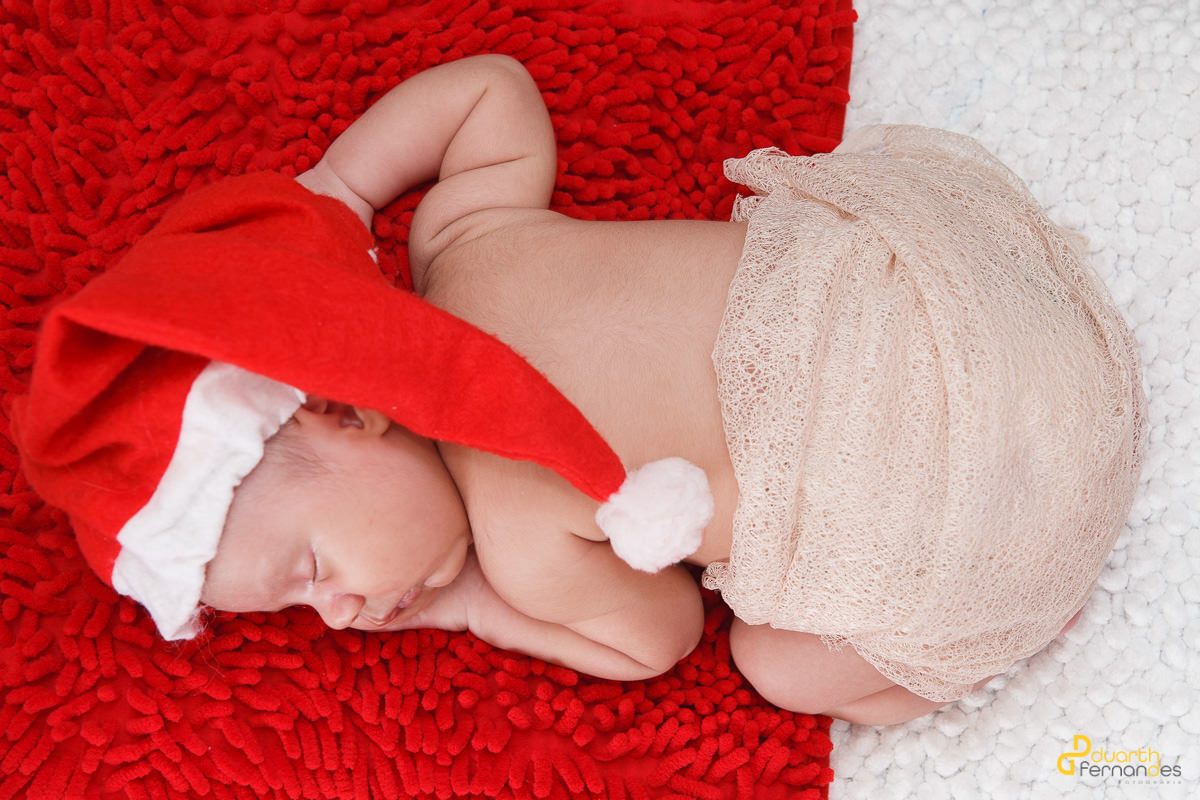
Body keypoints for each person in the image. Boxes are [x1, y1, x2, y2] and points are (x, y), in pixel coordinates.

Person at [10, 55, 1145, 726]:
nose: (345, 614)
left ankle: (1009, 626)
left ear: (343, 408)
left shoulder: (524, 528)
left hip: (967, 513)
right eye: (309, 609)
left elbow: (656, 638)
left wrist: (473, 605)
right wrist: (341, 190)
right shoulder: (463, 240)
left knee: (775, 661)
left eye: (312, 570)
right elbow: (491, 92)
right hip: (960, 300)